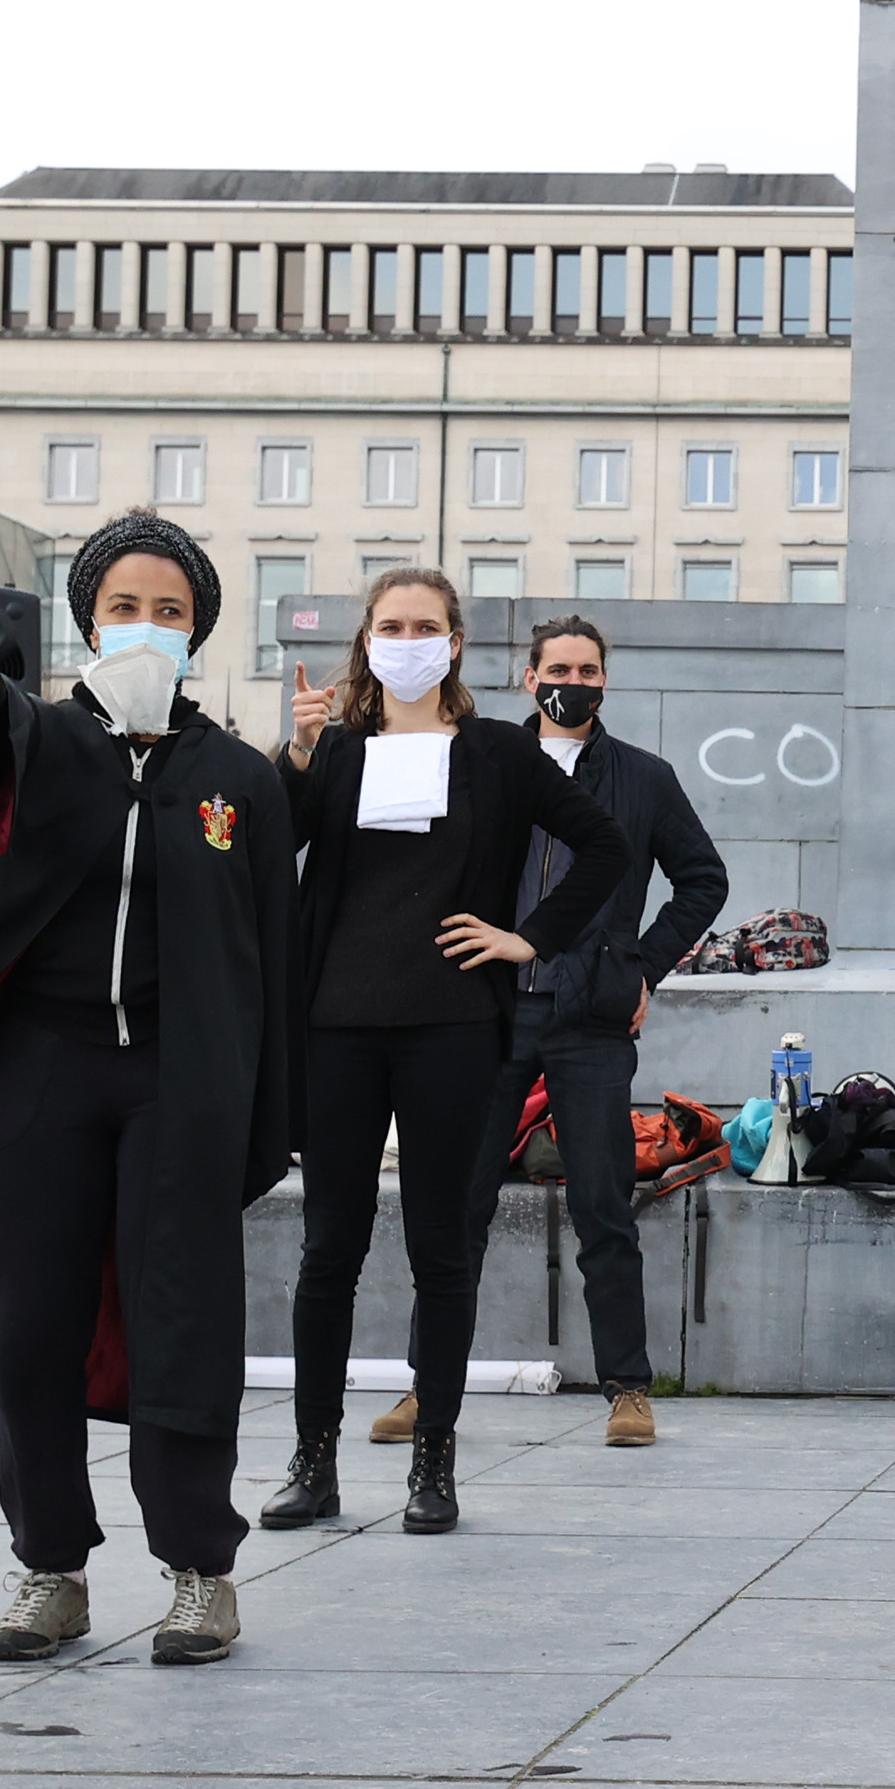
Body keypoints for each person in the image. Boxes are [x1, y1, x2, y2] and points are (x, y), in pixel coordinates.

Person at [0, 512, 295, 1666]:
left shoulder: (238, 780)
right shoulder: (34, 746)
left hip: (181, 1082)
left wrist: (269, 1125)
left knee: (183, 1322)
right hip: (40, 1073)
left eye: (170, 612)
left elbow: (276, 957)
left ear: (200, 631)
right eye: (124, 607)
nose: (146, 627)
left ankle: (197, 1569)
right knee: (31, 1324)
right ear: (86, 620)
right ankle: (50, 1568)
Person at [267, 571, 626, 1535]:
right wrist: (295, 756)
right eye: (392, 625)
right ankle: (312, 1462)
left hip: (452, 1031)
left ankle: (436, 1466)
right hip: (336, 1028)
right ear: (367, 639)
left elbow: (604, 848)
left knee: (442, 1251)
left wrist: (528, 938)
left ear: (456, 643)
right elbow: (271, 850)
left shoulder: (502, 754)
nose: (409, 637)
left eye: (427, 625)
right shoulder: (336, 749)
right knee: (327, 1250)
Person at [425, 614, 726, 1452]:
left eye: (589, 669)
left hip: (589, 1018)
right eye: (560, 667)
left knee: (603, 1206)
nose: (575, 681)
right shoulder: (482, 766)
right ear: (529, 678)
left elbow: (703, 880)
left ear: (605, 680)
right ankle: (426, 1386)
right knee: (460, 1206)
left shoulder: (644, 777)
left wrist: (640, 968)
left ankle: (627, 1389)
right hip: (485, 1014)